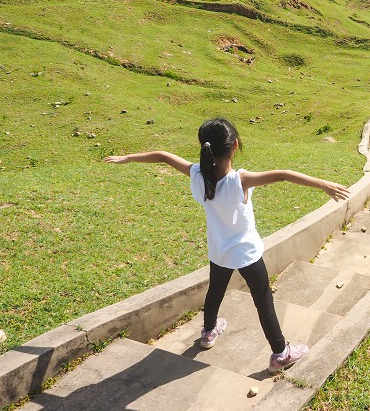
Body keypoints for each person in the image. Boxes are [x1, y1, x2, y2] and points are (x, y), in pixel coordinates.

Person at [104, 117, 350, 374]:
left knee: (215, 292)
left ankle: (208, 332)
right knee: (263, 302)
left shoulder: (199, 175)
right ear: (234, 146)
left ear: (206, 148)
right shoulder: (239, 180)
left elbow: (164, 156)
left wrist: (128, 158)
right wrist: (323, 184)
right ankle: (281, 354)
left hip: (219, 252)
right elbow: (283, 175)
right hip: (246, 255)